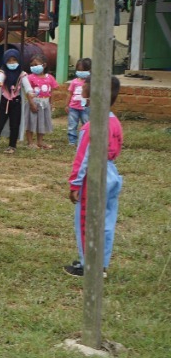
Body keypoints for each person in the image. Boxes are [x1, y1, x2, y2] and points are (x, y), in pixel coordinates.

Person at [65, 76, 123, 279]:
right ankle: (101, 264)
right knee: (106, 222)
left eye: (85, 93)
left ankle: (88, 265)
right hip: (111, 173)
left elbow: (83, 158)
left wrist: (75, 184)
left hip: (93, 177)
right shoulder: (114, 122)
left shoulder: (91, 127)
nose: (83, 97)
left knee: (86, 222)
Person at [0, 48, 29, 154]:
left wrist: (30, 92)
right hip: (4, 101)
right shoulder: (3, 72)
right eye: (9, 61)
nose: (12, 63)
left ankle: (12, 146)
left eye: (14, 60)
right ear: (5, 61)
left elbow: (27, 86)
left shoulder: (22, 74)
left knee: (15, 124)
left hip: (16, 102)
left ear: (19, 60)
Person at [24, 54, 59, 150]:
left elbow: (52, 91)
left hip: (45, 103)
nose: (33, 67)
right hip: (33, 103)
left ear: (44, 65)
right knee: (30, 122)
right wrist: (31, 103)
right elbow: (28, 92)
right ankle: (30, 142)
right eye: (32, 65)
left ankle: (40, 142)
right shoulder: (29, 77)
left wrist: (51, 103)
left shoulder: (50, 77)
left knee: (42, 123)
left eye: (36, 64)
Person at [66, 58, 92, 146]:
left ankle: (86, 140)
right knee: (72, 125)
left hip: (86, 108)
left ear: (90, 70)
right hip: (73, 108)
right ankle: (72, 141)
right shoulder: (74, 82)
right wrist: (66, 105)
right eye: (79, 70)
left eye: (83, 70)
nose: (81, 72)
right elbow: (70, 94)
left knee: (86, 124)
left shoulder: (91, 83)